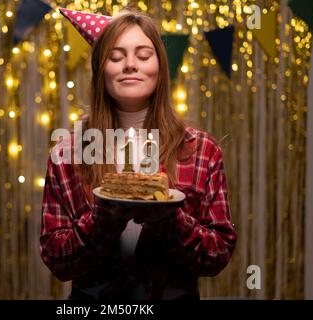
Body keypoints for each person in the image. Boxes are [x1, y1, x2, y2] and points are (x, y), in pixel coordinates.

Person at [40, 9, 237, 300]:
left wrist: (169, 219)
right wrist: (104, 219)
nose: (130, 65)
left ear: (160, 67)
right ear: (100, 70)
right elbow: (57, 259)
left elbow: (217, 255)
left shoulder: (201, 151)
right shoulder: (67, 155)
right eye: (116, 57)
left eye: (143, 56)